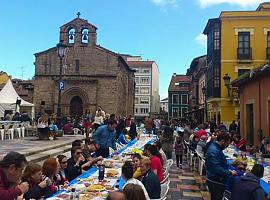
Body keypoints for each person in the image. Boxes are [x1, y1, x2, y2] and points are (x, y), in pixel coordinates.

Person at [205, 131, 237, 200]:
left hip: (214, 179)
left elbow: (218, 163)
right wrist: (230, 172)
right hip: (215, 181)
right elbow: (217, 168)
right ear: (222, 141)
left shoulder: (215, 148)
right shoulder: (215, 151)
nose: (227, 146)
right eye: (227, 144)